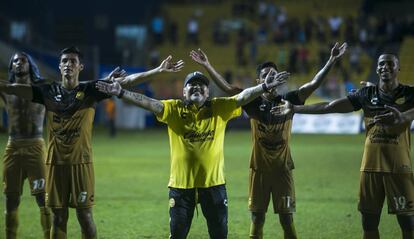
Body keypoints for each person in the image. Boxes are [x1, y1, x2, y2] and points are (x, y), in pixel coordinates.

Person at [0, 47, 183, 239]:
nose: (68, 65)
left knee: (85, 216)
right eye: (64, 61)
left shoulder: (90, 90)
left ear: (80, 66)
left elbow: (126, 81)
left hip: (81, 163)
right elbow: (10, 88)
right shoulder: (47, 92)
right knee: (58, 217)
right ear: (60, 66)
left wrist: (157, 71)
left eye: (72, 61)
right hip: (55, 164)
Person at [95, 69, 289, 239]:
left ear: (208, 91)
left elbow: (241, 97)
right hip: (181, 188)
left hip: (214, 186)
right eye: (192, 85)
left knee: (220, 234)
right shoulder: (173, 109)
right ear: (184, 91)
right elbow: (148, 102)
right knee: (177, 235)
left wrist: (263, 87)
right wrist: (120, 91)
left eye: (202, 85)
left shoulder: (220, 108)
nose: (197, 87)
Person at [189, 43, 347, 239]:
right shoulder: (253, 103)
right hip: (259, 171)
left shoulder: (289, 101)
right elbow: (228, 88)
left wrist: (331, 60)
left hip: (283, 170)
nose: (269, 77)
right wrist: (207, 65)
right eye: (265, 75)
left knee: (287, 220)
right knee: (257, 219)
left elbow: (313, 84)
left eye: (273, 73)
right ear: (259, 80)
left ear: (279, 78)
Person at [271, 54, 414, 239]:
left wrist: (402, 117)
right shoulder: (366, 95)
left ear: (398, 68)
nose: (385, 67)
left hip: (399, 168)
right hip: (370, 168)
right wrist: (295, 109)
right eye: (381, 64)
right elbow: (329, 106)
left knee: (408, 223)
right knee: (369, 223)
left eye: (390, 64)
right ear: (377, 69)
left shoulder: (409, 94)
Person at [1, 52, 51, 239]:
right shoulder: (6, 89)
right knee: (11, 200)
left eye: (23, 60)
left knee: (43, 199)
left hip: (35, 145)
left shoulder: (42, 89)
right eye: (15, 61)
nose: (19, 63)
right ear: (11, 67)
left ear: (30, 64)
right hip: (12, 146)